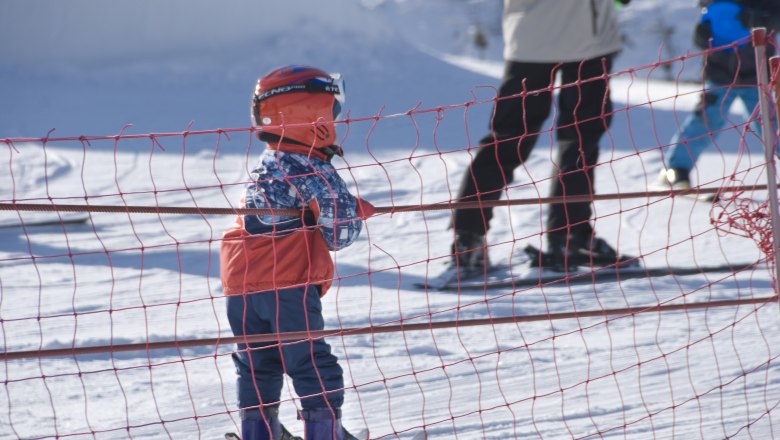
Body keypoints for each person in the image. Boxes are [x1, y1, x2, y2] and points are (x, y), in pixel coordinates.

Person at [220, 65, 375, 440]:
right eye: (333, 112)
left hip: (240, 288)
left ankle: (259, 431)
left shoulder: (266, 164)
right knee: (309, 361)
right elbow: (340, 233)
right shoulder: (312, 169)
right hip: (286, 286)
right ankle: (325, 432)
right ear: (312, 116)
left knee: (257, 362)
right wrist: (354, 210)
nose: (337, 119)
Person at [451, 0, 629, 273]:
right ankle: (570, 236)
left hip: (529, 38)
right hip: (587, 41)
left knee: (508, 137)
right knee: (580, 139)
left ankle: (468, 239)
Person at [654, 0, 780, 189]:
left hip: (756, 75)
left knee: (770, 124)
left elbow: (775, 18)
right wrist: (702, 35)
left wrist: (758, 20)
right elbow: (707, 21)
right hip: (719, 73)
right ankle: (676, 168)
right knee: (705, 120)